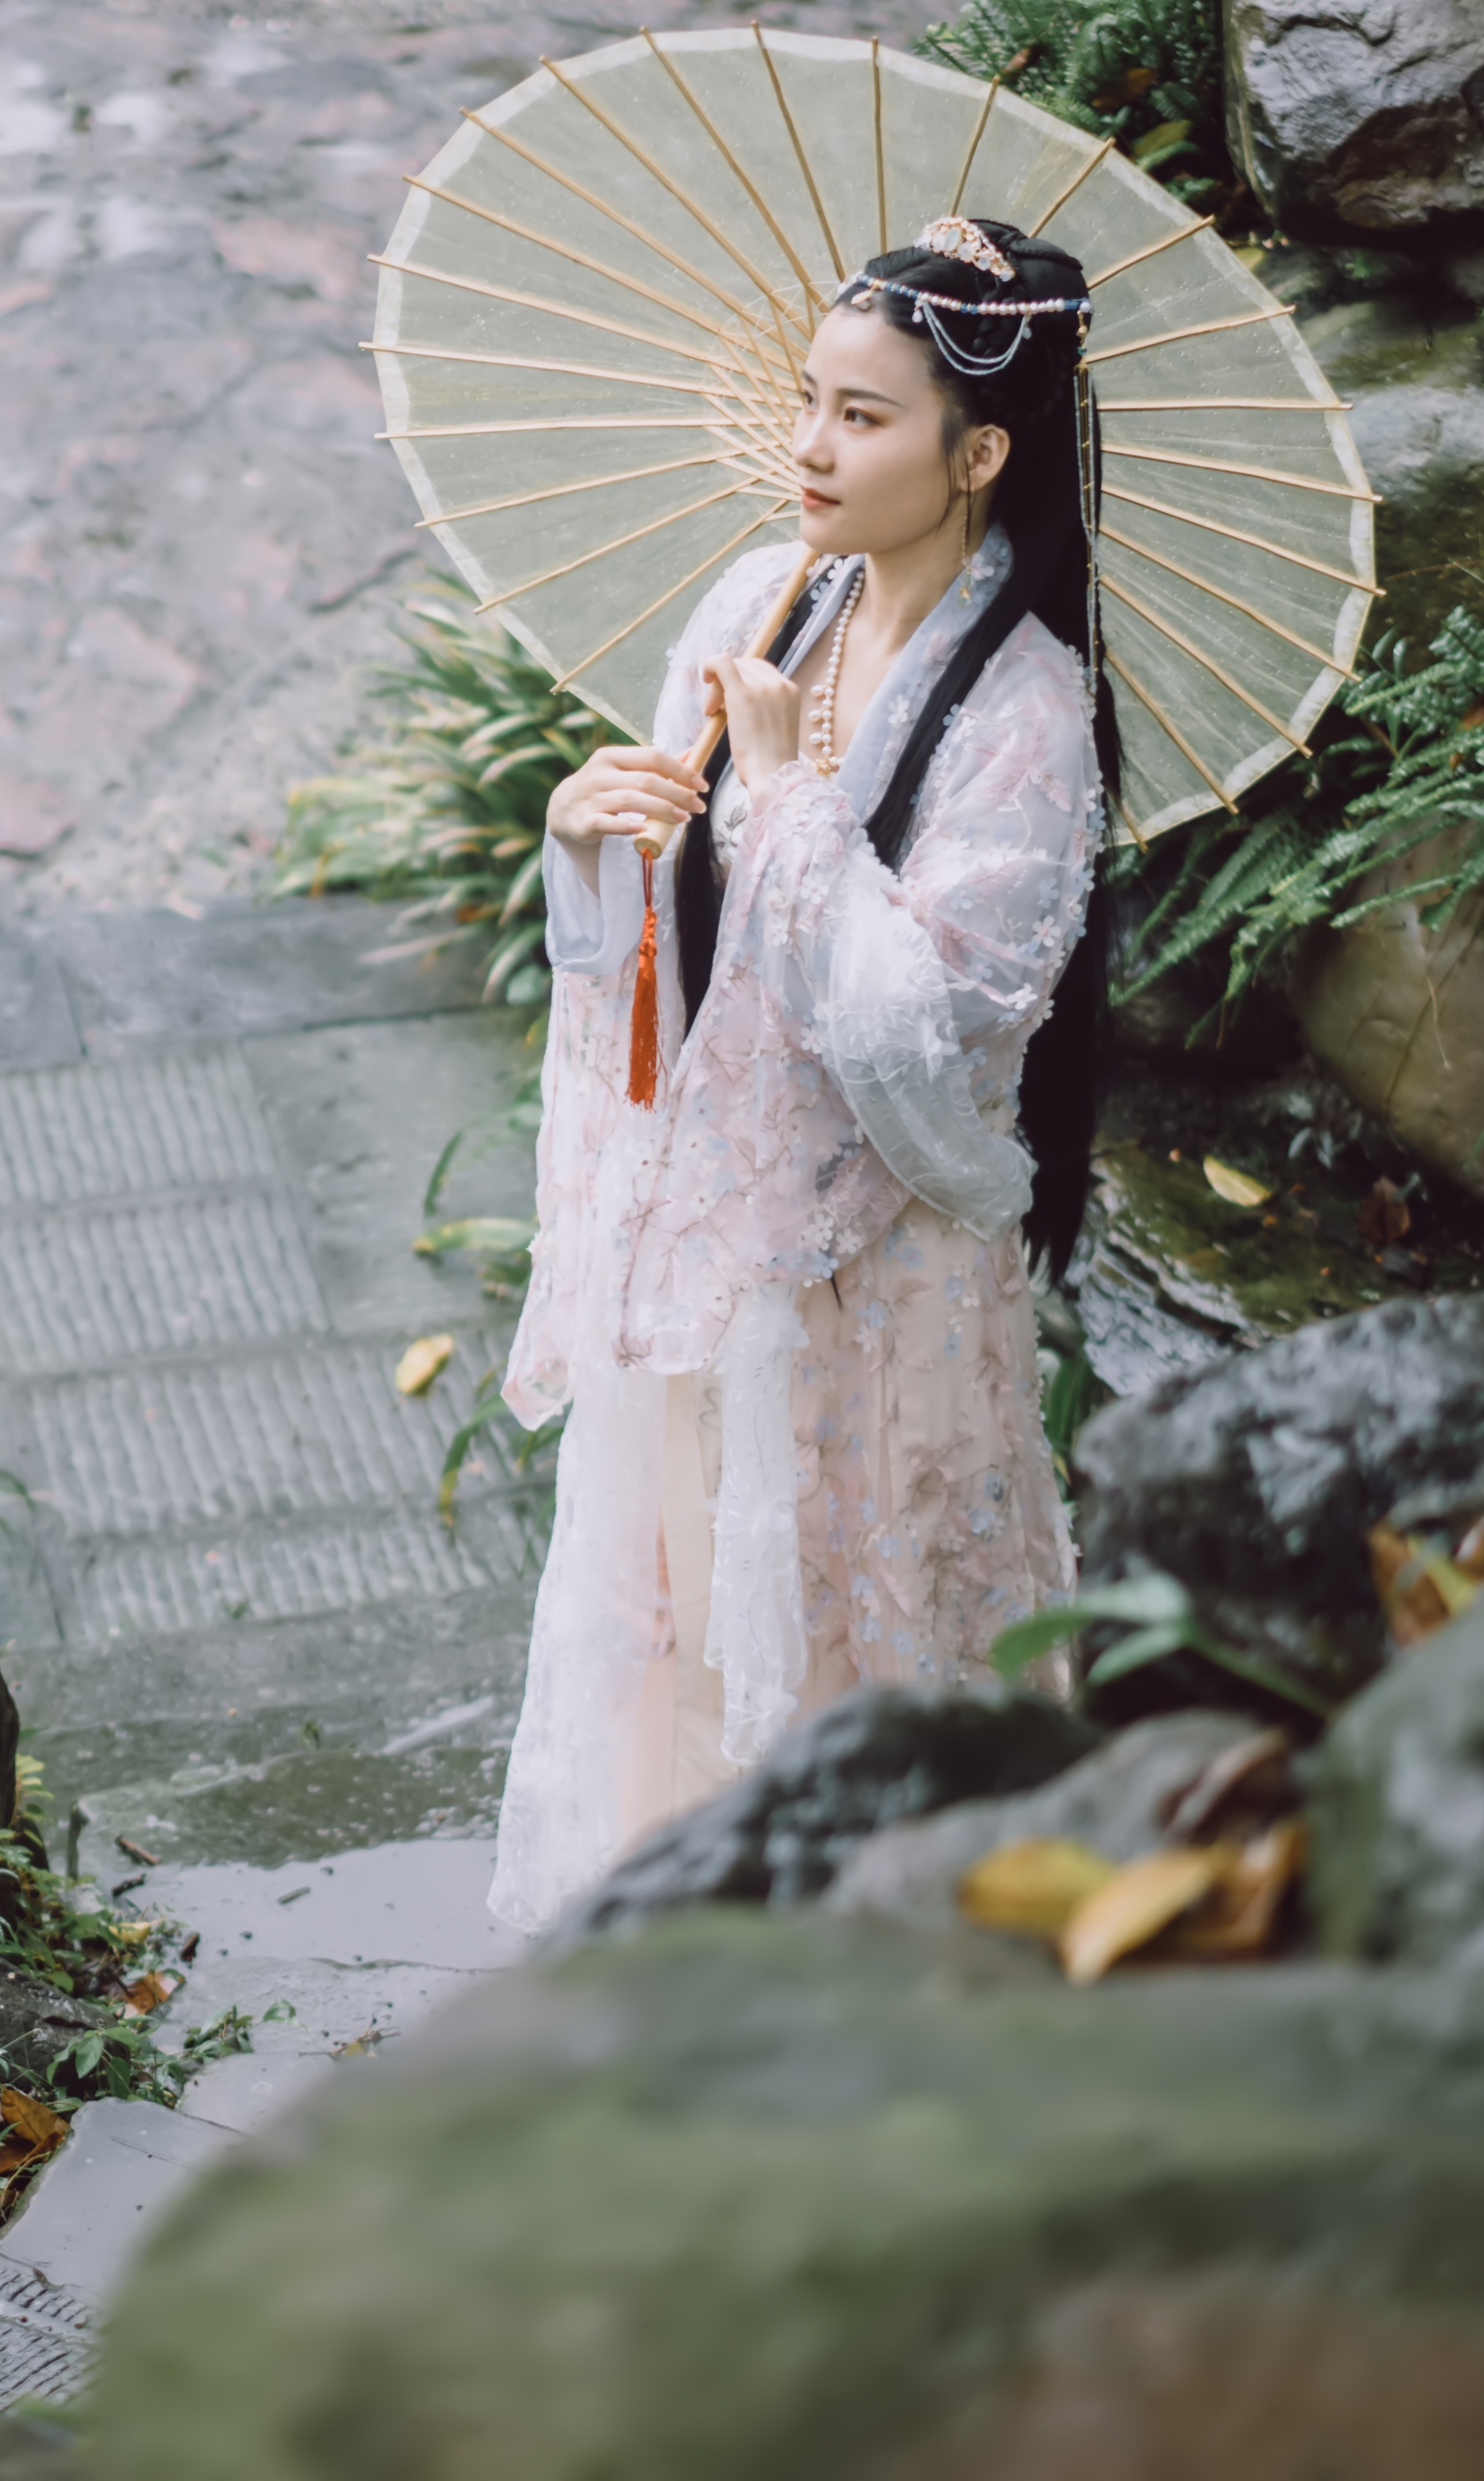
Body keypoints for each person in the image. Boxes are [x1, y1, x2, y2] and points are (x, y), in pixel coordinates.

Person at [486, 215, 1116, 1936]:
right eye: (810, 404)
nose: (810, 449)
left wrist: (776, 795)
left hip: (882, 1285)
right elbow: (661, 970)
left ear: (978, 453)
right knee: (685, 1631)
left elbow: (926, 1039)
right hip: (710, 1252)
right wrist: (587, 841)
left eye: (862, 419)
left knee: (862, 1629)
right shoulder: (755, 605)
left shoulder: (1030, 720)